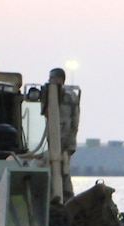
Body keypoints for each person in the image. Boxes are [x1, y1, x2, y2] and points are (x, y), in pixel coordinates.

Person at [46, 67, 79, 200]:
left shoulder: (69, 96)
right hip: (52, 141)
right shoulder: (49, 94)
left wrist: (69, 145)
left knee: (64, 172)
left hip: (64, 143)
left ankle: (66, 199)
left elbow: (74, 123)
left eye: (52, 77)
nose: (50, 80)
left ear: (60, 79)